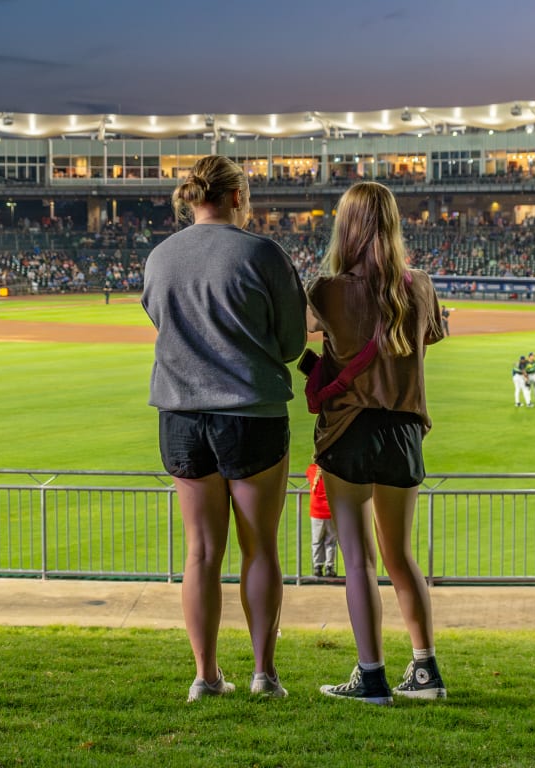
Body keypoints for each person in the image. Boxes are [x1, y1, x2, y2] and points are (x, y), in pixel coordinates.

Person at [140, 155, 307, 701]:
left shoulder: (160, 258)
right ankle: (264, 674)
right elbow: (290, 346)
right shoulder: (263, 253)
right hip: (251, 413)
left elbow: (159, 322)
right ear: (238, 197)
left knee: (201, 553)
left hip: (181, 417)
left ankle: (206, 676)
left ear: (193, 198)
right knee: (259, 548)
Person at [308, 181, 447, 704]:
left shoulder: (326, 289)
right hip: (405, 429)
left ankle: (371, 677)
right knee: (399, 556)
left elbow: (297, 338)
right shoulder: (422, 286)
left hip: (348, 431)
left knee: (359, 560)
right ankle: (426, 671)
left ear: (347, 226)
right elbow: (425, 339)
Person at [306, 463, 338, 578]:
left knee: (316, 540)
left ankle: (317, 567)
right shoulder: (333, 470)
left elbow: (308, 473)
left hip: (316, 512)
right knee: (331, 541)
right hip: (330, 512)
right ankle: (330, 567)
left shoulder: (312, 470)